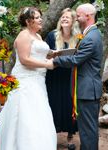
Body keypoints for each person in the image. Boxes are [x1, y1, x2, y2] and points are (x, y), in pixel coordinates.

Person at [0, 7, 57, 150]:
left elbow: (38, 53)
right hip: (26, 80)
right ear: (28, 21)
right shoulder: (24, 35)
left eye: (39, 16)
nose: (40, 19)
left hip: (38, 80)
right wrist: (48, 65)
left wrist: (53, 55)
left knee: (40, 113)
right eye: (37, 17)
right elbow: (24, 60)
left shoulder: (38, 36)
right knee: (27, 114)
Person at [47, 3, 103, 150]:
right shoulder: (90, 33)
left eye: (78, 15)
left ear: (88, 16)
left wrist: (54, 60)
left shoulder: (91, 37)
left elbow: (76, 59)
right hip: (87, 90)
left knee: (88, 130)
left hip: (87, 91)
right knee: (86, 129)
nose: (76, 18)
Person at [45, 8, 80, 148]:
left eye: (68, 18)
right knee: (53, 104)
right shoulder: (52, 35)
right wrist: (52, 54)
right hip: (53, 75)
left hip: (70, 76)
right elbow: (45, 55)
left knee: (69, 104)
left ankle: (70, 136)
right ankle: (52, 135)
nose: (64, 19)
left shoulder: (78, 37)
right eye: (63, 17)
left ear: (73, 22)